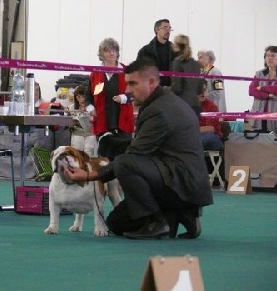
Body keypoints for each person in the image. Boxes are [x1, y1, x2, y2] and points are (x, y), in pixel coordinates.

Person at [63, 58, 213, 240]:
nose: (127, 90)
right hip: (184, 182)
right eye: (127, 84)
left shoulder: (158, 110)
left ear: (151, 82)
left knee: (125, 163)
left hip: (180, 183)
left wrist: (88, 175)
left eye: (133, 84)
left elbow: (133, 156)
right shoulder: (167, 101)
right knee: (116, 223)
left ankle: (156, 221)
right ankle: (181, 214)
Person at [86, 37, 135, 158]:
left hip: (123, 122)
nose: (112, 53)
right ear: (101, 54)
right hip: (103, 122)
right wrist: (90, 108)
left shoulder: (127, 71)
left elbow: (136, 92)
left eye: (114, 50)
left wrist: (123, 98)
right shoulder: (95, 72)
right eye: (108, 50)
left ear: (118, 53)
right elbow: (88, 95)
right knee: (104, 157)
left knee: (123, 156)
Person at [248, 45, 277, 132]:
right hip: (260, 115)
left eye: (273, 55)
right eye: (267, 55)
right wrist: (267, 95)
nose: (269, 58)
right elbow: (251, 90)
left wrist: (261, 88)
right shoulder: (259, 73)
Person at [136, 19, 177, 86]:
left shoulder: (175, 51)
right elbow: (138, 71)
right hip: (152, 88)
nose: (168, 30)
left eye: (169, 28)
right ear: (157, 30)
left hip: (171, 89)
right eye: (165, 27)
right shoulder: (145, 51)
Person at [170, 34, 202, 117]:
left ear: (177, 45)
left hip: (182, 105)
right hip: (195, 105)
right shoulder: (196, 64)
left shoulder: (177, 63)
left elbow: (177, 88)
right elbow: (200, 89)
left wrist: (164, 89)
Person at [67, 85, 97, 157]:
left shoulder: (92, 107)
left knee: (89, 156)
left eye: (83, 96)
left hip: (91, 135)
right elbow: (68, 123)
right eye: (79, 97)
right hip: (77, 134)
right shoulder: (71, 108)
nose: (82, 99)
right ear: (76, 98)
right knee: (76, 156)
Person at [198, 80, 224, 152]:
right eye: (199, 90)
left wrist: (192, 130)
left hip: (211, 137)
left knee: (207, 137)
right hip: (197, 136)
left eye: (204, 89)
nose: (202, 93)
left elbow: (211, 128)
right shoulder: (187, 105)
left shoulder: (211, 106)